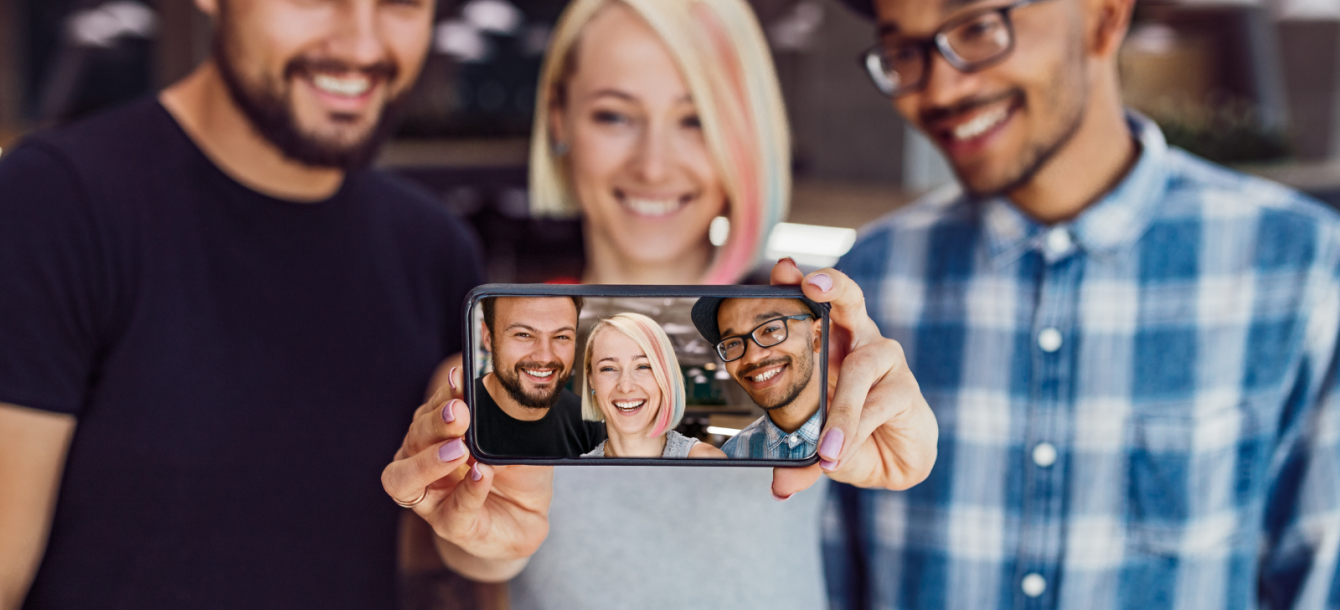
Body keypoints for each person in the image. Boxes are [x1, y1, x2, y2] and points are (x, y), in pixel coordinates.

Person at [0, 0, 550, 608]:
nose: (363, 45)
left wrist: (485, 535)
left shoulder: (435, 250)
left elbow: (434, 560)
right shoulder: (50, 204)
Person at [824, 0, 1340, 607]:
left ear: (1104, 18)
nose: (940, 88)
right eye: (904, 51)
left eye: (979, 28)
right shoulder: (869, 280)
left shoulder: (1298, 266)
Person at [497, 0, 938, 608]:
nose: (653, 165)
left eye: (696, 118)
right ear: (559, 119)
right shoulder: (510, 365)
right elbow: (467, 550)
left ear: (744, 130)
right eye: (613, 115)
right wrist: (467, 536)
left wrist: (902, 454)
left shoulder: (812, 346)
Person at [690, 296, 824, 459]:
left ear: (818, 335)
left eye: (770, 329)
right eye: (732, 343)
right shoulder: (733, 455)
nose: (752, 357)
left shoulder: (862, 438)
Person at [579, 313, 726, 458]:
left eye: (643, 366)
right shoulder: (576, 474)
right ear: (591, 379)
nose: (625, 387)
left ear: (666, 376)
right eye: (608, 368)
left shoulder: (705, 462)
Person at [474, 296, 605, 458]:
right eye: (523, 335)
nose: (545, 357)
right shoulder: (461, 416)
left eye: (561, 337)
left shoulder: (590, 424)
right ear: (488, 337)